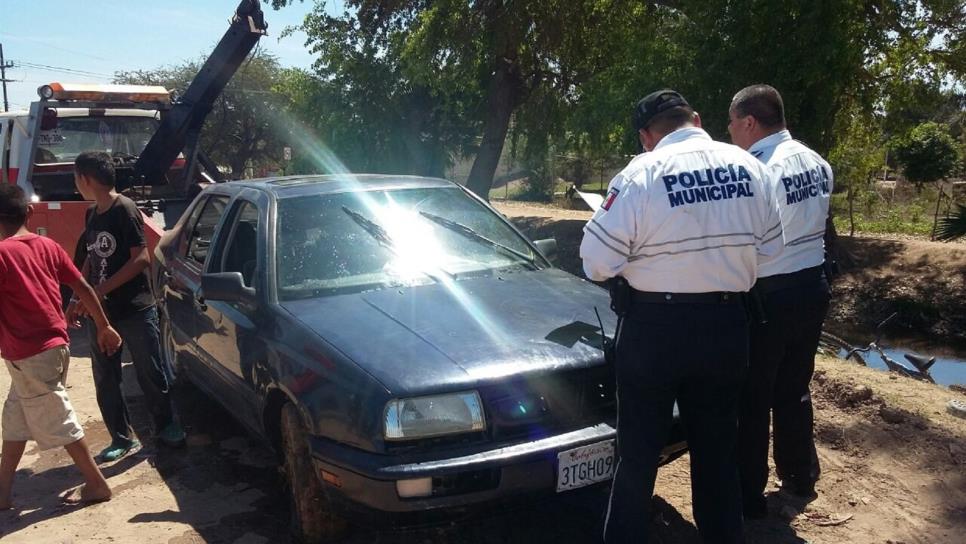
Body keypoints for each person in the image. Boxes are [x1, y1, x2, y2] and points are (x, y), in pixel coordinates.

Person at [581, 90, 783, 544]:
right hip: (727, 329)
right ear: (695, 119)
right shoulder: (752, 167)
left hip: (654, 332)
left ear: (645, 137)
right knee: (716, 453)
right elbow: (771, 252)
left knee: (636, 458)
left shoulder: (642, 173)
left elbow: (595, 263)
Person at [727, 84, 833, 517]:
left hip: (769, 294)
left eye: (732, 123)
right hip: (813, 288)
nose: (730, 131)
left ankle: (748, 497)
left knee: (752, 398)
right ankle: (799, 474)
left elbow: (749, 241)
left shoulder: (758, 169)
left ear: (749, 122)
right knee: (794, 389)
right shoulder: (817, 162)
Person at [0, 184, 122, 508]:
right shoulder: (48, 245)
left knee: (59, 419)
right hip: (47, 350)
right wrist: (104, 324)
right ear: (29, 212)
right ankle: (2, 493)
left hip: (32, 353)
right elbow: (81, 285)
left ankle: (97, 484)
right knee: (15, 418)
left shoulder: (2, 254)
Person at [66, 151, 185, 462]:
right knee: (106, 376)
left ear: (86, 179)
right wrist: (82, 297)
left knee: (150, 370)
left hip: (135, 307)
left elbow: (141, 258)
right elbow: (92, 257)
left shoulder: (124, 209)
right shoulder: (92, 214)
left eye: (77, 178)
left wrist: (100, 289)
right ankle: (121, 437)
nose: (76, 184)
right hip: (101, 312)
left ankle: (167, 425)